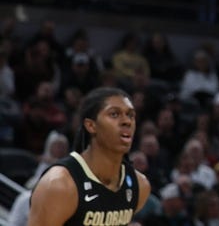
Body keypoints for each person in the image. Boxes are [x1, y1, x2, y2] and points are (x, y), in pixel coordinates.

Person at [26, 86, 151, 226]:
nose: (127, 121)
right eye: (114, 114)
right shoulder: (59, 184)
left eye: (130, 115)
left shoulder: (140, 186)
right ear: (91, 126)